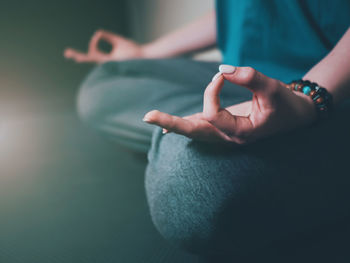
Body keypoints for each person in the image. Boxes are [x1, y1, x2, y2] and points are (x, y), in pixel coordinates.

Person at [65, 0, 350, 261]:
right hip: (248, 82)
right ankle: (205, 130)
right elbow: (239, 10)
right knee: (106, 84)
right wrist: (145, 53)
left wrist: (307, 100)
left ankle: (192, 141)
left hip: (331, 94)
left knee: (190, 193)